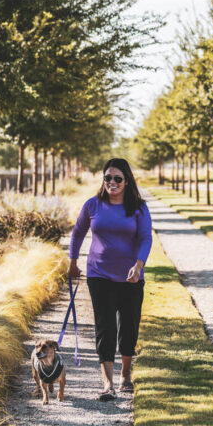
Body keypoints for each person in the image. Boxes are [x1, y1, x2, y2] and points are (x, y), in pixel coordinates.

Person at [69, 158, 152, 401]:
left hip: (131, 277)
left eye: (117, 178)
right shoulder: (92, 205)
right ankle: (107, 382)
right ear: (103, 180)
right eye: (108, 178)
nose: (112, 182)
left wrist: (138, 265)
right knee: (105, 327)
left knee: (129, 326)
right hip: (99, 274)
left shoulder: (138, 207)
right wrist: (72, 262)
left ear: (127, 181)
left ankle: (125, 375)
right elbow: (78, 232)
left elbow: (146, 238)